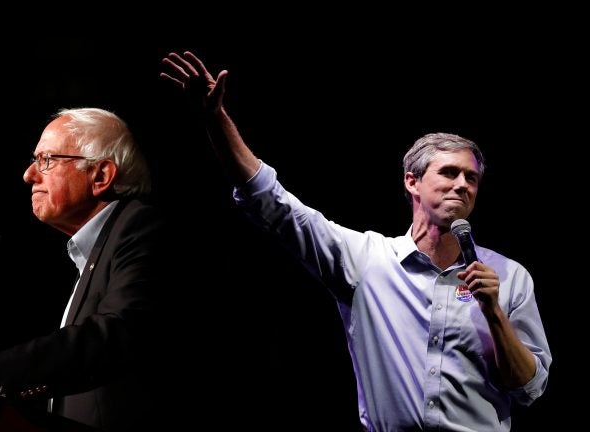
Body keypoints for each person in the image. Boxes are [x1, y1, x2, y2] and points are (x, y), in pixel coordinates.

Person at [160, 51, 551, 431]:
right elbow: (274, 205)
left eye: (472, 179)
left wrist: (494, 314)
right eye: (449, 173)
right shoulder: (367, 261)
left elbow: (530, 389)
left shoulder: (509, 277)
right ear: (411, 182)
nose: (462, 185)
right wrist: (216, 121)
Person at [0, 107, 165, 431]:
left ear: (101, 176)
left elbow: (116, 335)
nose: (29, 174)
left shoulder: (139, 226)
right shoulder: (96, 250)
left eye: (47, 160)